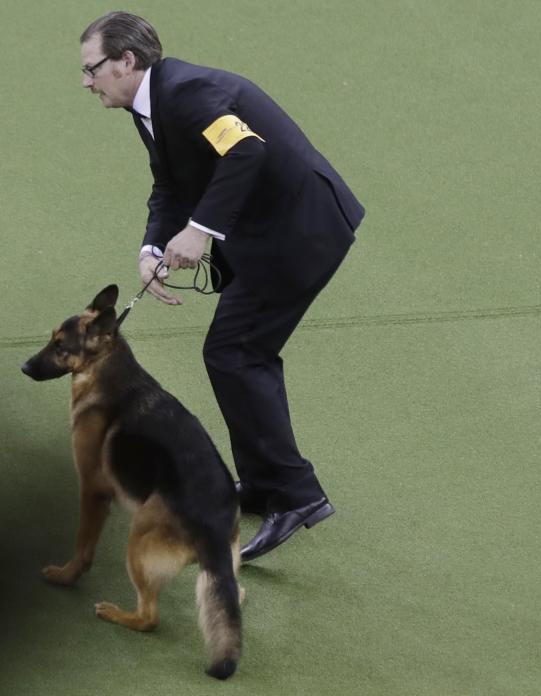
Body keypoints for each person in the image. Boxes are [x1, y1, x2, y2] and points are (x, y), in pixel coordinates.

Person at [79, 12, 364, 562]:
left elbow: (245, 150)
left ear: (126, 62)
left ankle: (298, 494)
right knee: (237, 353)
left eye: (92, 69)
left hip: (300, 232)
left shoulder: (186, 95)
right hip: (267, 233)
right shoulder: (152, 103)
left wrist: (200, 230)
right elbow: (172, 181)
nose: (86, 81)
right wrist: (153, 248)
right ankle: (261, 483)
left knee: (236, 352)